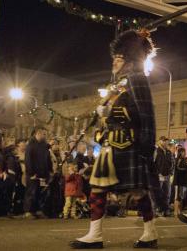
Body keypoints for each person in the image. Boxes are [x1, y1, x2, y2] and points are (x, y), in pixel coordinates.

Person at [69, 29, 159, 249]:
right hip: (111, 145)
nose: (115, 62)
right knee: (98, 188)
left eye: (119, 58)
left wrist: (146, 145)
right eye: (115, 58)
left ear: (129, 60)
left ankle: (150, 233)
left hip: (129, 144)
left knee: (138, 191)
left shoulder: (136, 80)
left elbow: (145, 114)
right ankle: (95, 235)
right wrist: (102, 125)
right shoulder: (116, 85)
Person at [24, 127, 53, 219]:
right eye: (43, 134)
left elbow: (48, 159)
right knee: (31, 192)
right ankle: (29, 211)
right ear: (38, 133)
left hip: (43, 174)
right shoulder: (30, 146)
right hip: (33, 174)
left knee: (40, 193)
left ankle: (38, 210)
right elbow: (28, 160)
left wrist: (50, 170)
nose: (45, 136)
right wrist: (31, 173)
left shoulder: (44, 146)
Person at [154, 136, 173, 217]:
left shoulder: (168, 152)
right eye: (164, 140)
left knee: (167, 193)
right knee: (157, 194)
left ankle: (165, 210)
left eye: (166, 141)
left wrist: (171, 172)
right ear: (159, 141)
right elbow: (152, 163)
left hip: (167, 176)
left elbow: (172, 163)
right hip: (158, 176)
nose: (165, 142)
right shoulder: (156, 151)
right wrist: (156, 173)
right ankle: (155, 210)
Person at [172, 146, 187, 215]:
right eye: (183, 152)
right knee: (177, 197)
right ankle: (176, 211)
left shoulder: (183, 160)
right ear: (180, 152)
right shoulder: (178, 160)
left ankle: (179, 211)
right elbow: (178, 169)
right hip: (178, 181)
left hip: (183, 181)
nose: (185, 153)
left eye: (185, 152)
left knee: (181, 196)